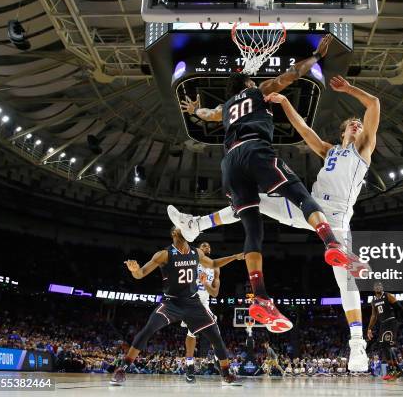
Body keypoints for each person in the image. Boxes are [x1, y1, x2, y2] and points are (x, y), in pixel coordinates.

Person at [168, 75, 380, 370]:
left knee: (346, 283)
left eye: (359, 123)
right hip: (310, 210)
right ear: (343, 131)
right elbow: (304, 129)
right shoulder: (329, 151)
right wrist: (285, 102)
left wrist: (349, 89)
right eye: (352, 123)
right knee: (252, 200)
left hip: (337, 220)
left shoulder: (364, 149)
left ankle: (357, 346)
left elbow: (374, 103)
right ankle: (196, 225)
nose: (357, 125)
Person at [109, 227, 243, 386]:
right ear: (174, 233)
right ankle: (122, 369)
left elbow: (213, 263)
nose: (186, 227)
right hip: (171, 302)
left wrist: (235, 256)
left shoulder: (196, 253)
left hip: (193, 303)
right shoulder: (164, 254)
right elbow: (140, 274)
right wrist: (134, 270)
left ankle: (226, 374)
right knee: (147, 330)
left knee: (216, 336)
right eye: (182, 226)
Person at [180, 241, 220, 383]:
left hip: (205, 303)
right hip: (191, 302)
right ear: (198, 249)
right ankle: (190, 367)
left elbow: (215, 293)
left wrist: (205, 283)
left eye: (209, 246)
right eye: (203, 245)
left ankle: (217, 359)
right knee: (192, 332)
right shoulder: (191, 262)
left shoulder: (215, 268)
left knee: (216, 332)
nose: (206, 247)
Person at [367, 282, 403, 380]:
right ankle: (397, 370)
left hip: (391, 322)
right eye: (376, 286)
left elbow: (400, 307)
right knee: (385, 346)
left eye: (380, 286)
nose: (378, 287)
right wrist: (369, 328)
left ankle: (392, 370)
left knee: (385, 345)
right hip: (383, 324)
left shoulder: (388, 296)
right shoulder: (373, 301)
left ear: (382, 287)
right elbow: (374, 316)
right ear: (374, 289)